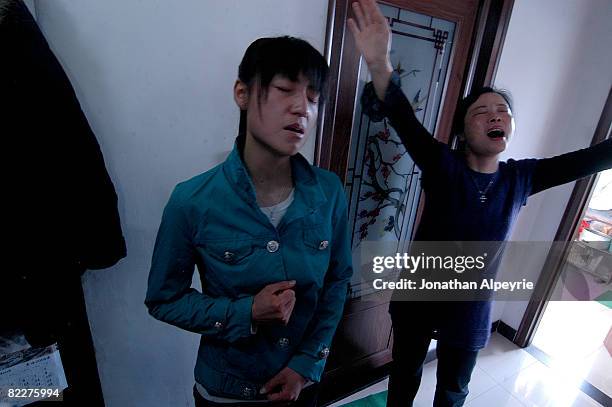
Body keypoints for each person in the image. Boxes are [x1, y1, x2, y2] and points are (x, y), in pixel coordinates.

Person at [347, 0, 612, 406]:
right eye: (481, 112)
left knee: (453, 392)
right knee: (403, 379)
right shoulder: (442, 164)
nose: (495, 116)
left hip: (471, 308)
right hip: (420, 294)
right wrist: (380, 64)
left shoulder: (521, 177)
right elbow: (402, 117)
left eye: (503, 111)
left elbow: (589, 160)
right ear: (462, 130)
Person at [145, 36, 353, 406]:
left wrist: (306, 364)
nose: (301, 108)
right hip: (227, 390)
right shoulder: (192, 201)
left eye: (313, 97)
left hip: (302, 386)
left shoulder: (329, 191)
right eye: (285, 88)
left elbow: (337, 281)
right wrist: (245, 312)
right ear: (242, 93)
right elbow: (164, 299)